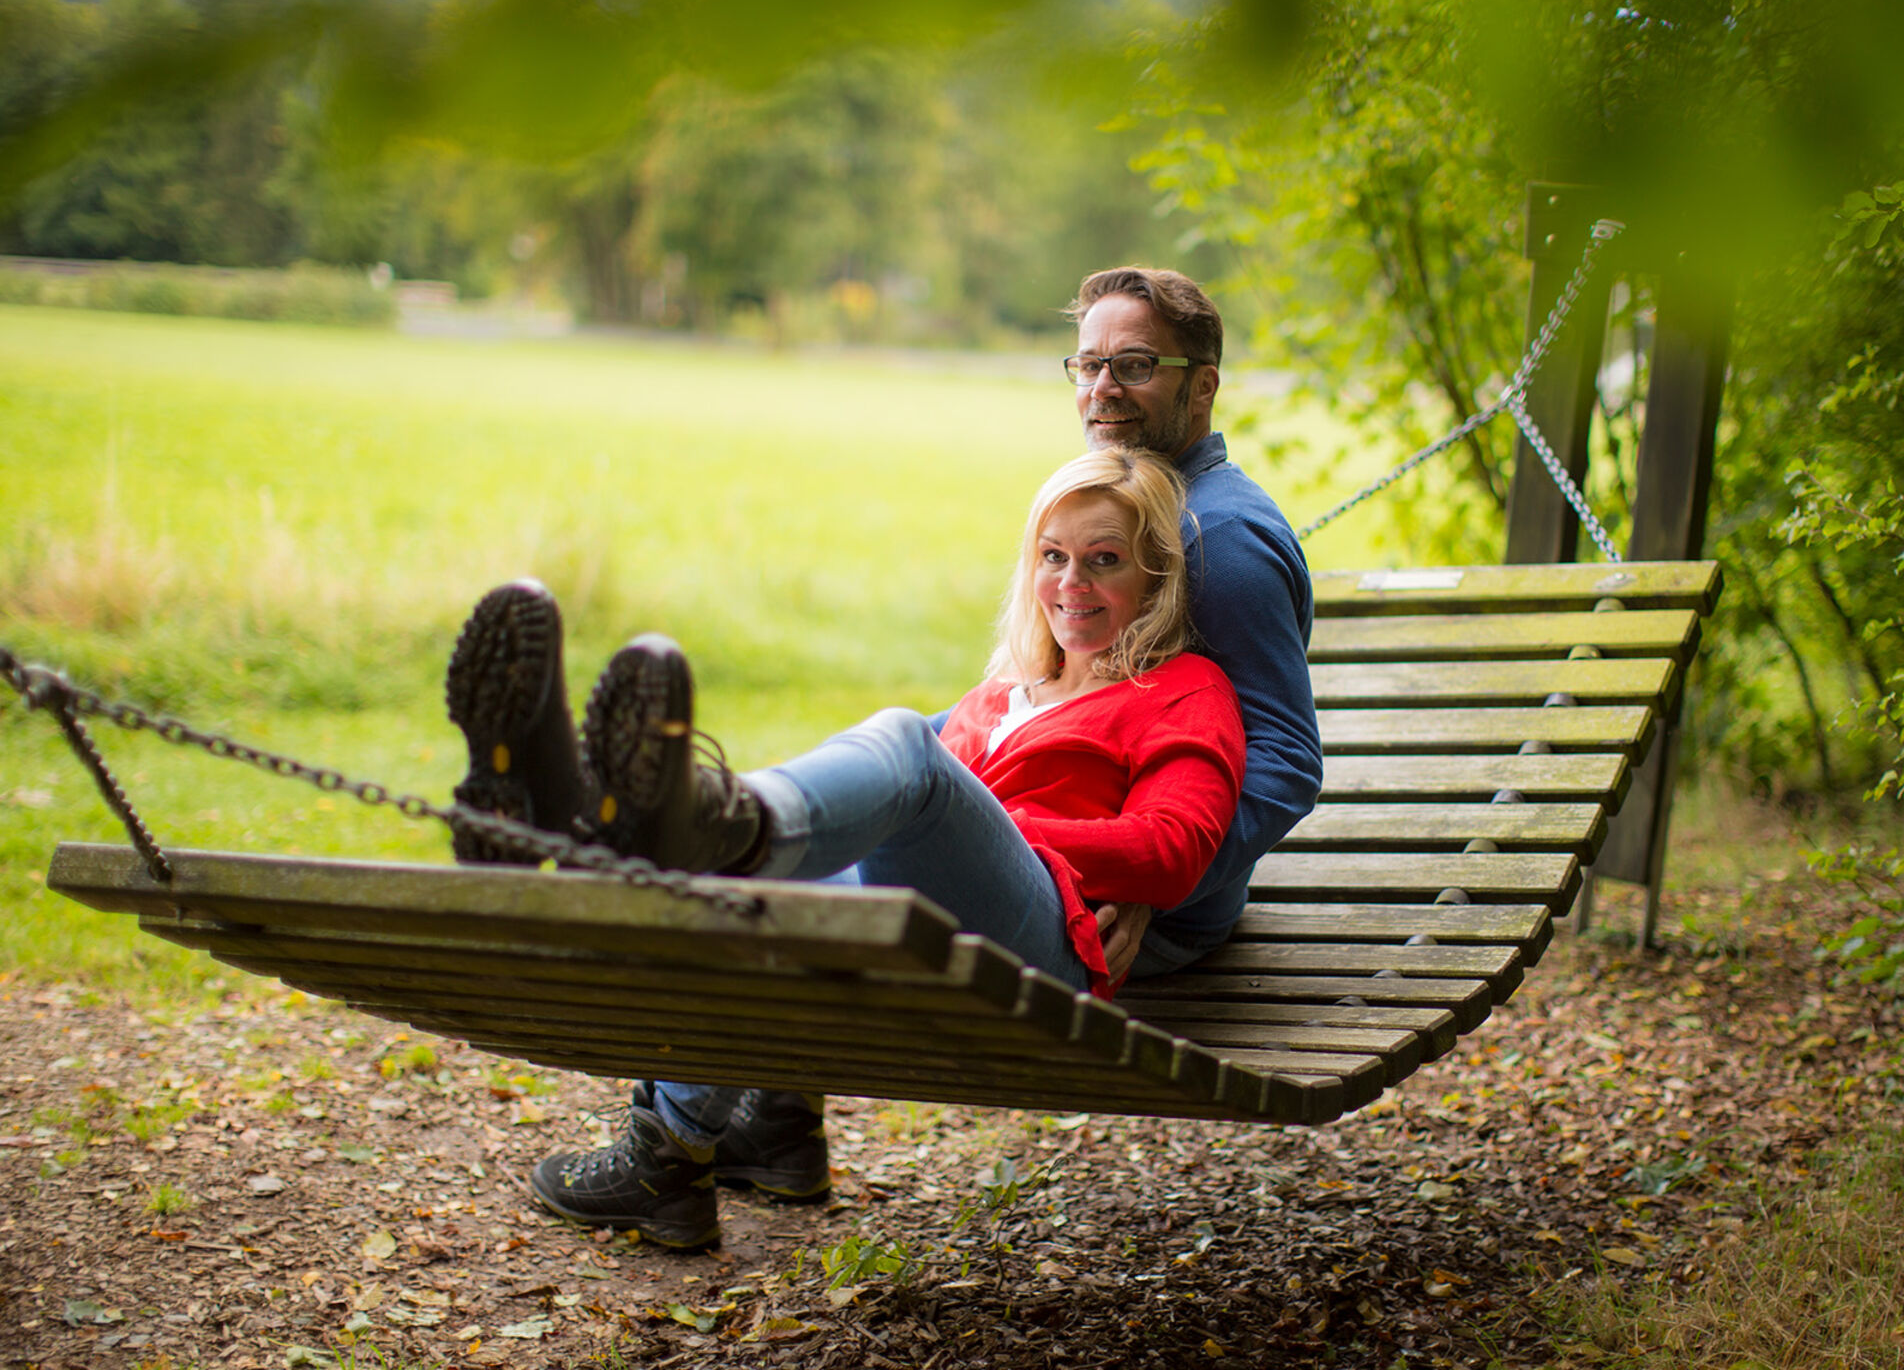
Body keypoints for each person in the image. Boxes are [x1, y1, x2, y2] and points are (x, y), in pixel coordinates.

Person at [452, 267, 1322, 1249]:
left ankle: (683, 830)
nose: (1101, 389)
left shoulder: (1223, 540)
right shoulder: (1136, 512)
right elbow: (1047, 720)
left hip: (1136, 914)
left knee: (892, 762)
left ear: (1200, 386)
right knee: (855, 805)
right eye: (1087, 363)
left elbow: (1281, 759)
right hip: (1057, 867)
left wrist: (1143, 879)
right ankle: (608, 838)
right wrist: (960, 763)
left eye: (1134, 366)